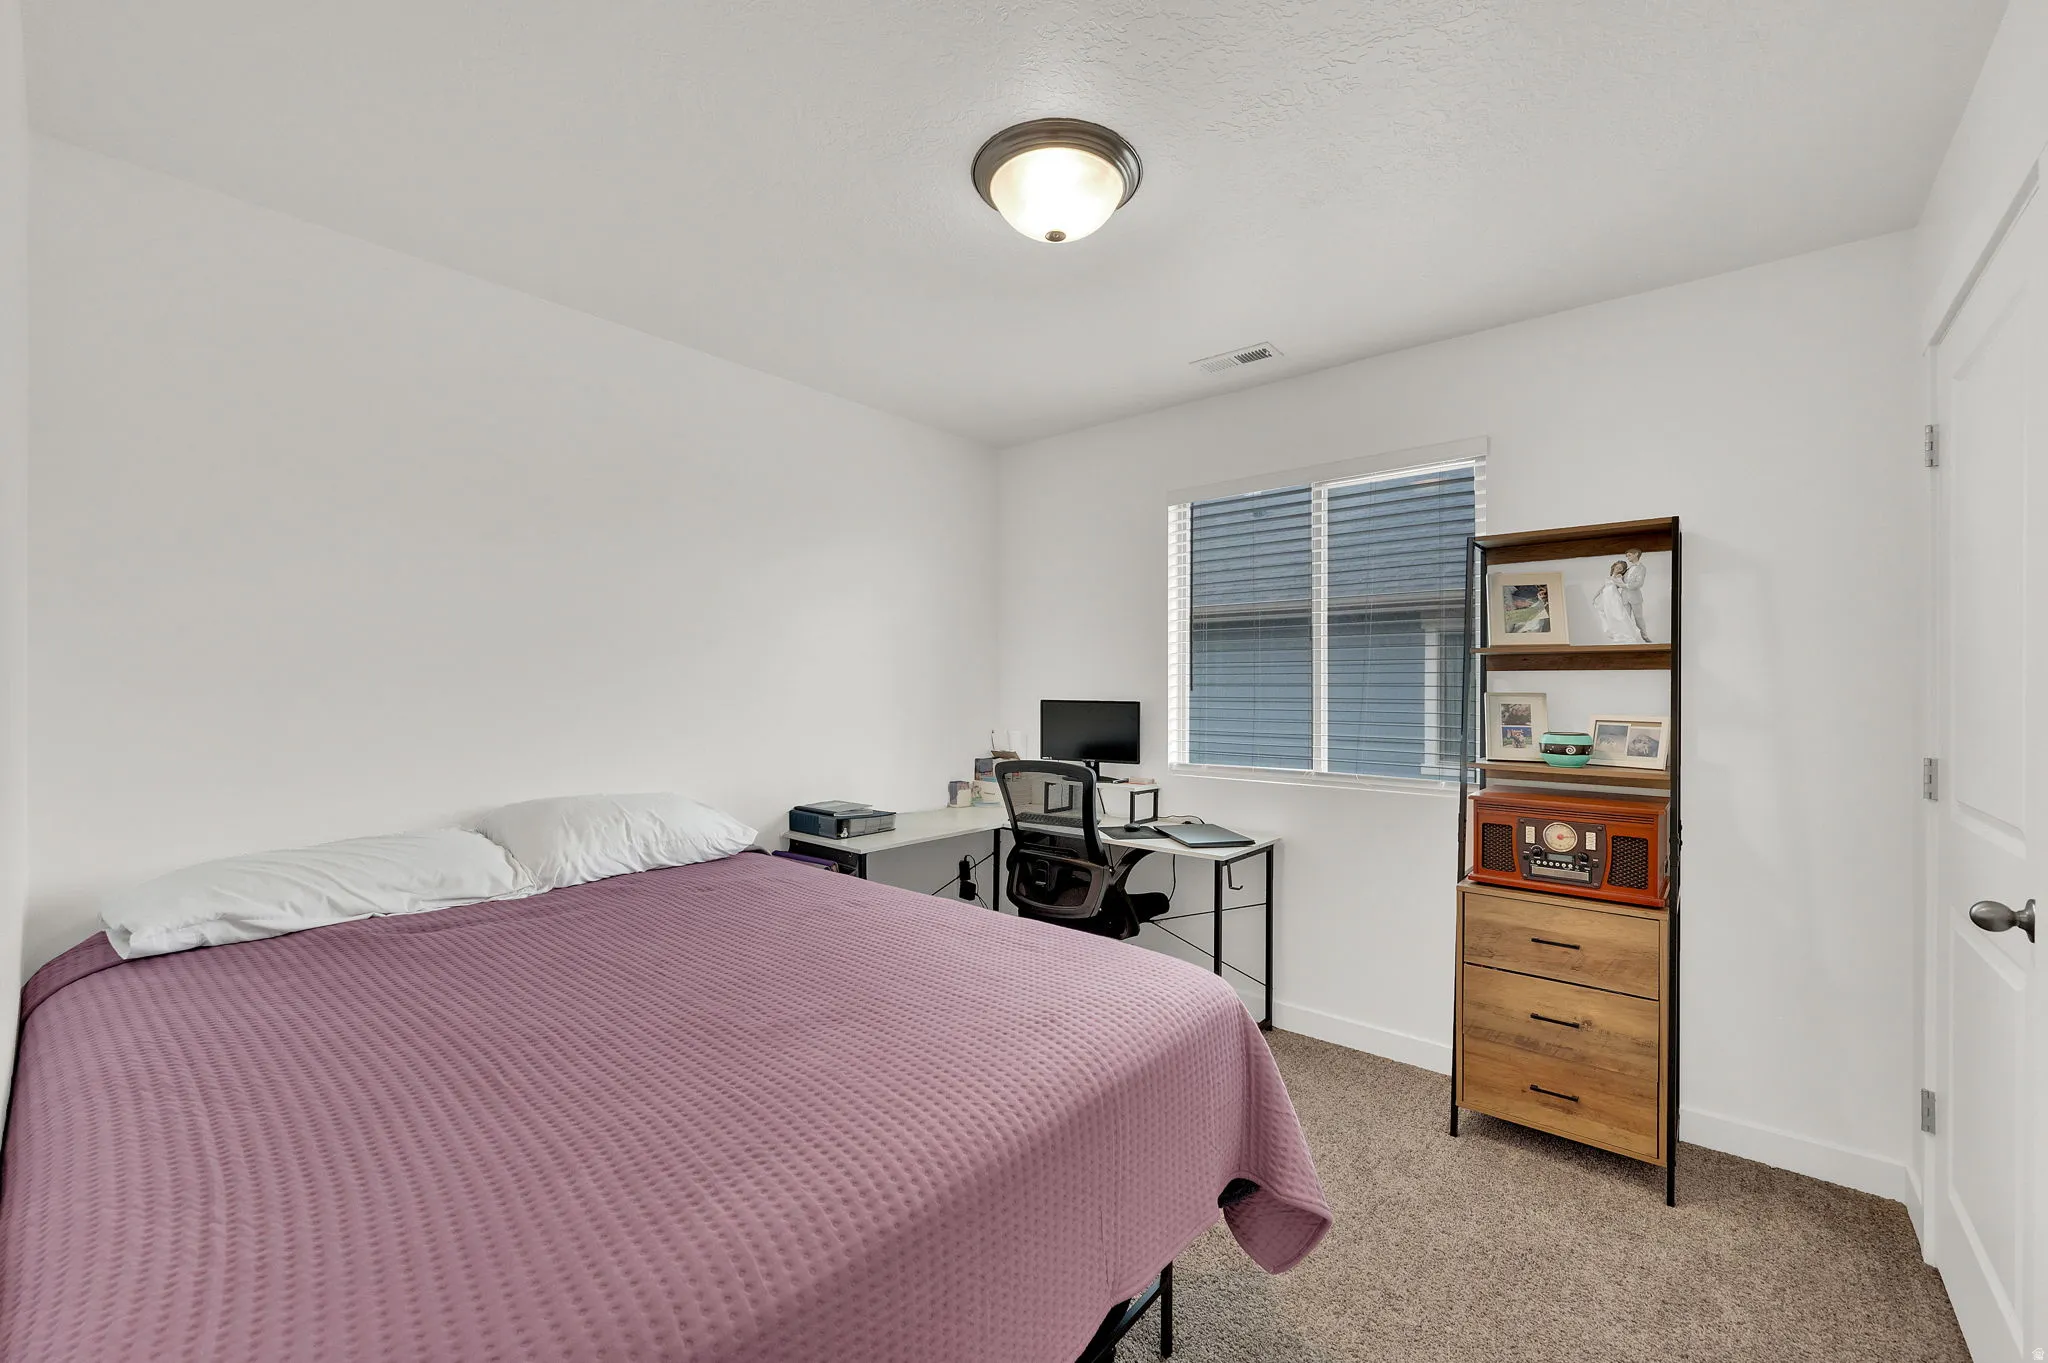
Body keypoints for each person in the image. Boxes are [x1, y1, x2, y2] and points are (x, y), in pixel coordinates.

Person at [1591, 550, 1649, 643]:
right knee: (1616, 615)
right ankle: (1621, 633)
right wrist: (1595, 597)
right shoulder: (1614, 576)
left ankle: (1641, 635)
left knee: (1629, 617)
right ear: (1614, 567)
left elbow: (1630, 583)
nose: (1618, 569)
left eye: (1629, 555)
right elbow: (1602, 587)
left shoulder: (1635, 570)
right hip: (1609, 598)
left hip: (1617, 597)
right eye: (1617, 567)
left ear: (1636, 554)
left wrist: (1622, 583)